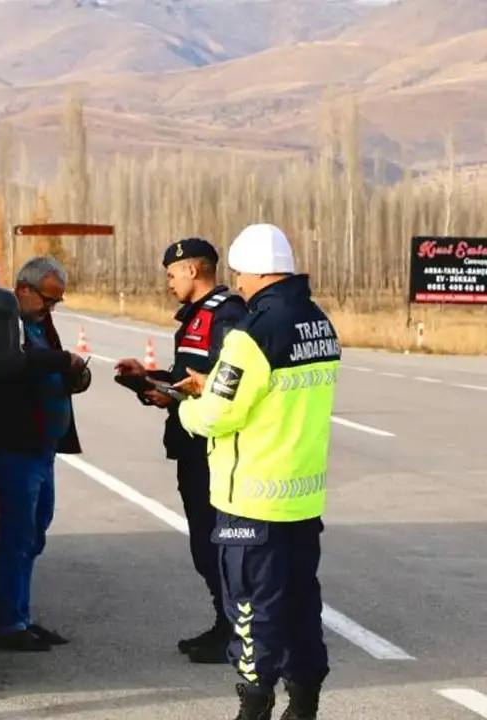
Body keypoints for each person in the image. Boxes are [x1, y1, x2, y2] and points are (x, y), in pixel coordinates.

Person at [173, 224, 339, 720]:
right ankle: (304, 704)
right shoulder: (318, 322)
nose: (238, 284)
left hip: (251, 500)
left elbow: (221, 414)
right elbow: (277, 399)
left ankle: (254, 707)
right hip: (301, 497)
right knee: (300, 606)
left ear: (257, 272)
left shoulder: (252, 333)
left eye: (241, 274)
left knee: (250, 611)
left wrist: (185, 404)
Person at [114, 237, 247, 664]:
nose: (168, 282)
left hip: (212, 448)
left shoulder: (226, 314)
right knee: (205, 546)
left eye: (171, 273)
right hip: (191, 445)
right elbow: (186, 376)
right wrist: (149, 380)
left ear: (192, 270)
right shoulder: (196, 316)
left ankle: (237, 632)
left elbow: (225, 380)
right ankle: (224, 623)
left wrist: (172, 393)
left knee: (218, 544)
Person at [0, 255, 92, 652]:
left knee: (35, 532)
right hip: (15, 449)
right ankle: (10, 625)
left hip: (43, 448)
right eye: (46, 299)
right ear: (23, 291)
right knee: (17, 535)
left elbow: (56, 370)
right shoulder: (2, 324)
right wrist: (64, 360)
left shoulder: (44, 325)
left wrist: (77, 373)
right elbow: (14, 363)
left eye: (56, 302)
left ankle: (22, 616)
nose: (51, 308)